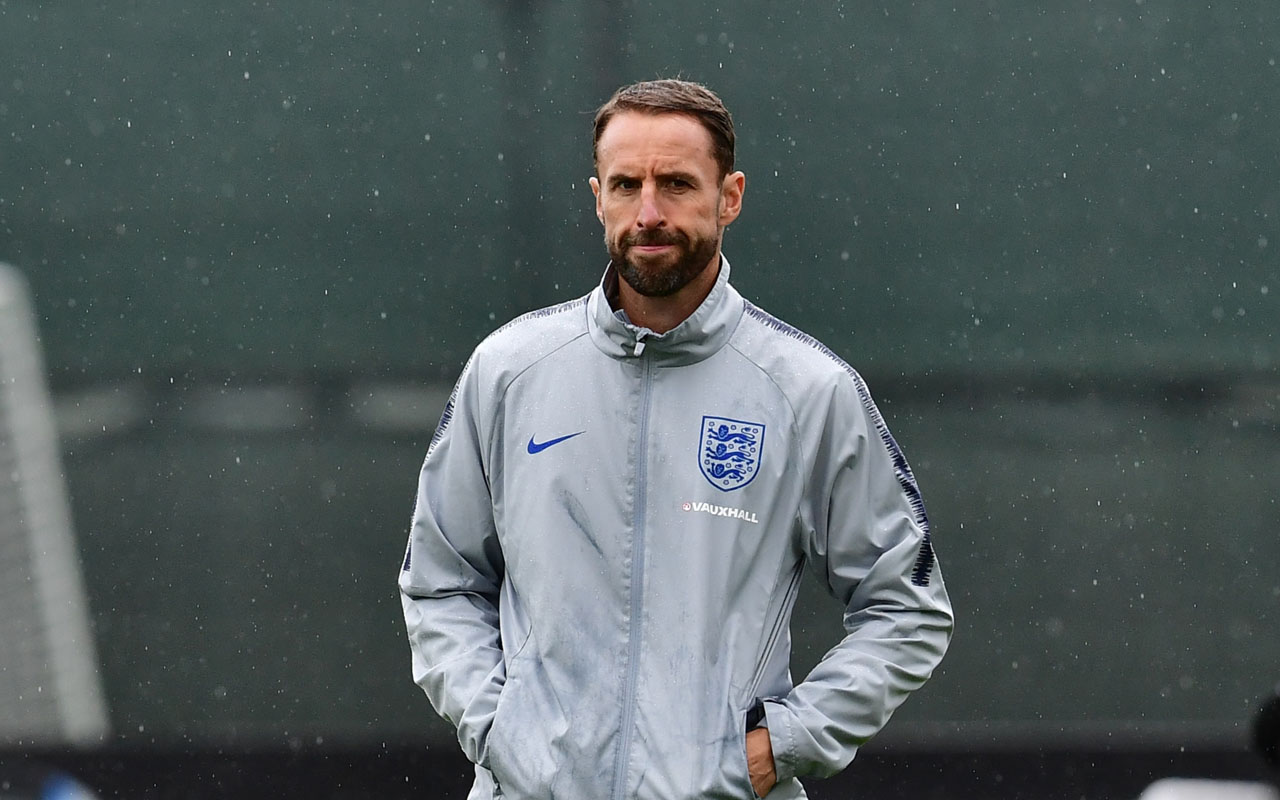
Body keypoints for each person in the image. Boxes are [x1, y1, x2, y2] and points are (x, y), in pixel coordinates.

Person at [399, 79, 954, 800]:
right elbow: (441, 582)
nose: (649, 213)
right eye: (626, 185)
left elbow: (906, 609)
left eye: (677, 184)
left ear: (730, 197)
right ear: (598, 197)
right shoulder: (507, 372)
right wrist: (502, 731)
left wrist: (779, 746)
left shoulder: (808, 391)